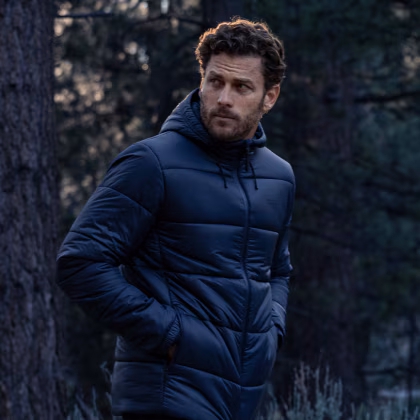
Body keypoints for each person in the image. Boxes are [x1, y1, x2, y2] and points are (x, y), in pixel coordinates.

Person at [56, 18, 295, 420]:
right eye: (215, 82)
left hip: (239, 400)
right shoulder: (151, 162)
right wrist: (170, 336)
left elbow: (278, 271)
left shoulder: (278, 177)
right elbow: (80, 262)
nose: (224, 98)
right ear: (202, 81)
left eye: (241, 87)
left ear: (269, 97)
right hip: (163, 397)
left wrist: (270, 333)